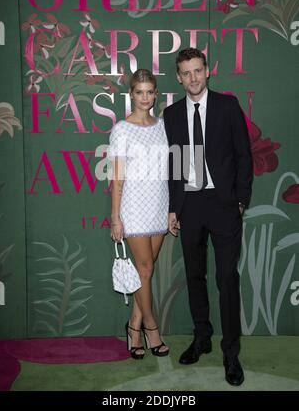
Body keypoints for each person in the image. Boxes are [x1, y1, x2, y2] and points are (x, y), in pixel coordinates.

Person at [163, 48, 253, 386]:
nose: (192, 78)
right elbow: (174, 165)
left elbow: (244, 156)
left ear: (207, 72)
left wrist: (240, 201)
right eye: (185, 73)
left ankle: (231, 352)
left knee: (226, 278)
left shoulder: (228, 106)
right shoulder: (171, 114)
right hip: (190, 204)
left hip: (224, 204)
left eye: (197, 71)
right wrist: (174, 207)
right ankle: (202, 338)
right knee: (195, 276)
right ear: (178, 77)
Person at [108, 69, 170, 360]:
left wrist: (173, 209)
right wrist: (115, 217)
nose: (145, 97)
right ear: (131, 94)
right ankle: (150, 327)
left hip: (159, 204)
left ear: (155, 94)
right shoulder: (121, 129)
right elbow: (117, 178)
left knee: (147, 271)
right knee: (144, 269)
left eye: (150, 92)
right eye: (139, 92)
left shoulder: (162, 126)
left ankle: (132, 326)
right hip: (133, 207)